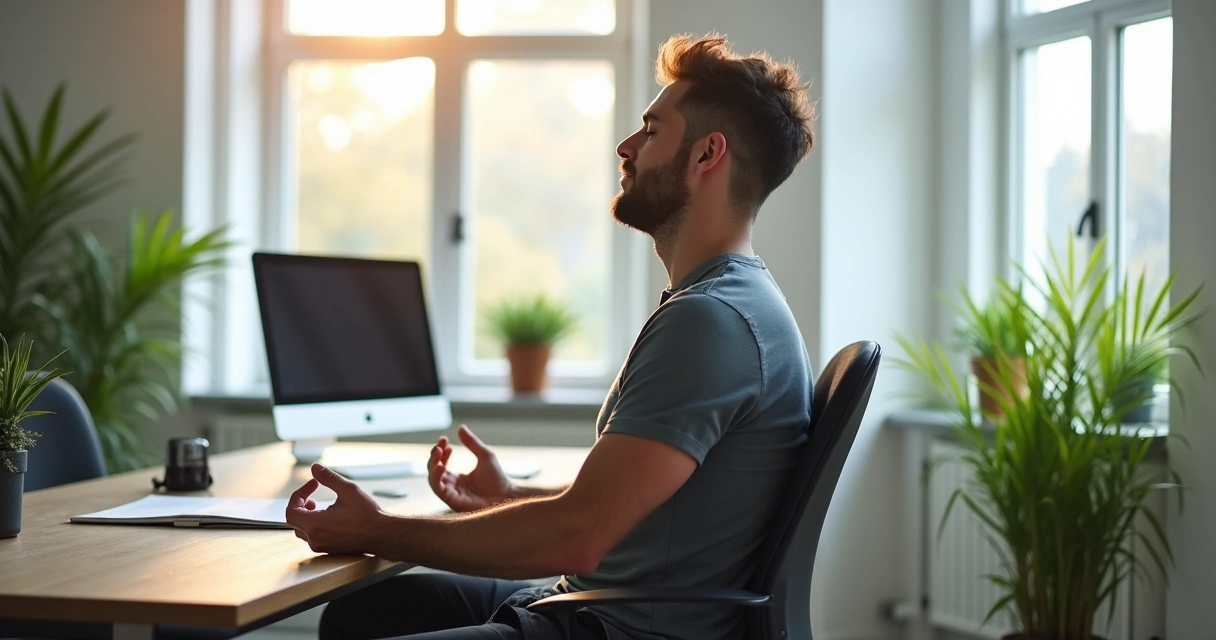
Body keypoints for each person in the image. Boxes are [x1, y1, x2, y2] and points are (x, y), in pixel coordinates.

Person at [287, 32, 817, 640]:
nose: (626, 147)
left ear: (706, 156)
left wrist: (377, 528)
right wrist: (508, 496)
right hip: (597, 599)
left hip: (614, 626)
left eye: (650, 131)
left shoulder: (714, 321)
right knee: (366, 611)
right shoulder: (730, 302)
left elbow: (581, 536)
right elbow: (626, 502)